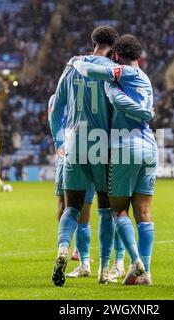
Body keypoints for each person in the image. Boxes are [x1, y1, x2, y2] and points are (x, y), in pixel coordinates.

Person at [72, 34, 157, 285]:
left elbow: (90, 71)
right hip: (150, 148)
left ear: (117, 57)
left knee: (118, 210)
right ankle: (145, 272)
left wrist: (75, 62)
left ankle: (136, 263)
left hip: (125, 145)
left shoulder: (122, 75)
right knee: (144, 212)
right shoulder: (146, 78)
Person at [49, 26, 121, 286]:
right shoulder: (110, 72)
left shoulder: (71, 68)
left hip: (74, 143)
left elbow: (56, 110)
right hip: (101, 144)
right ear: (113, 48)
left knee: (71, 207)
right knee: (105, 209)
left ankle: (62, 251)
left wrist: (59, 140)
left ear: (93, 43)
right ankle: (103, 270)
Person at [47, 94, 96, 278]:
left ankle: (68, 247)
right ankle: (75, 251)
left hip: (69, 151)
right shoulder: (85, 95)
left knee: (66, 205)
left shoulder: (59, 97)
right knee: (77, 208)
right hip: (78, 150)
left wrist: (60, 144)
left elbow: (53, 120)